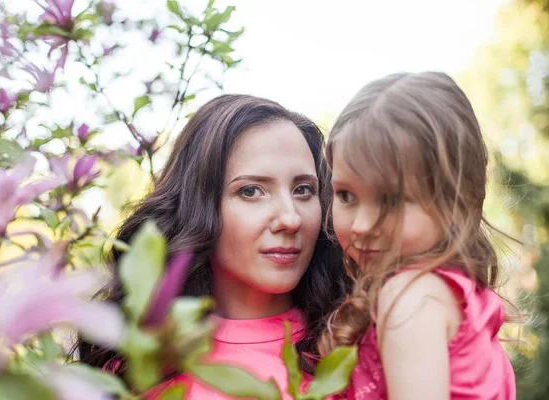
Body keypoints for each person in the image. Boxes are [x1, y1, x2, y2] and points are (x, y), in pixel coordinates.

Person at [76, 94, 350, 399]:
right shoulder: (138, 362)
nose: (290, 218)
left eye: (303, 190)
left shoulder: (353, 343)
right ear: (199, 206)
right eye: (251, 191)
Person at [319, 72, 517, 400]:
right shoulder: (453, 293)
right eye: (346, 195)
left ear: (458, 201)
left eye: (391, 200)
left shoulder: (412, 300)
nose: (361, 226)